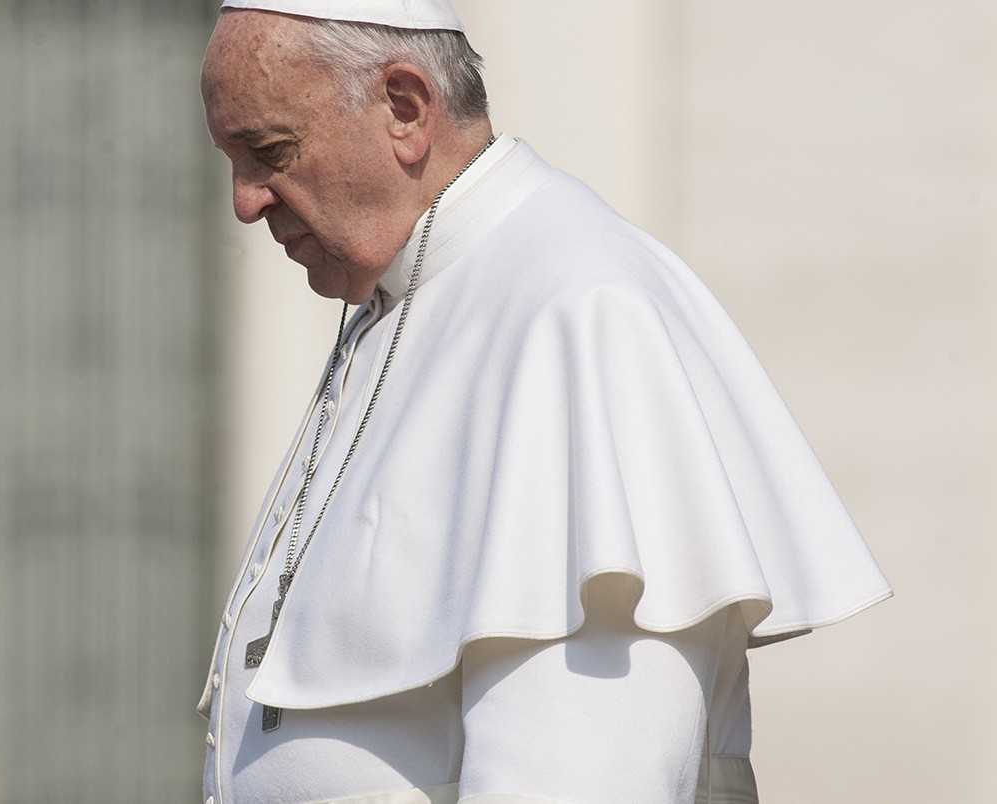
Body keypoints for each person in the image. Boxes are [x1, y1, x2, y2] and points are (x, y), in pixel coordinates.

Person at [195, 2, 892, 803]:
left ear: (405, 109)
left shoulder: (577, 312)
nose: (246, 202)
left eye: (269, 151)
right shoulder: (403, 298)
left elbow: (584, 774)